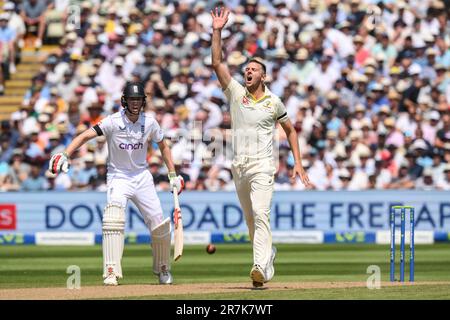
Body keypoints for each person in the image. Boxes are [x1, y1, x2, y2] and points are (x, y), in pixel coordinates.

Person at [210, 7, 311, 288]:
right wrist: (217, 30)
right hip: (239, 166)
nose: (248, 71)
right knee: (250, 219)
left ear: (263, 76)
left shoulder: (274, 102)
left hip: (264, 165)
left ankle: (258, 266)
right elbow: (217, 63)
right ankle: (267, 257)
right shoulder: (236, 93)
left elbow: (290, 131)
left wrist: (298, 163)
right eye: (246, 69)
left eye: (254, 69)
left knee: (261, 212)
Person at [48, 82, 184, 286]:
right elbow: (85, 135)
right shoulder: (112, 121)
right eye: (132, 99)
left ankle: (163, 269)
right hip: (118, 176)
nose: (135, 103)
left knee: (159, 224)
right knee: (113, 218)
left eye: (138, 99)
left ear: (143, 101)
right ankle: (111, 271)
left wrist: (173, 174)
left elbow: (163, 147)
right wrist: (66, 153)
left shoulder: (150, 122)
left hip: (142, 176)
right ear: (125, 101)